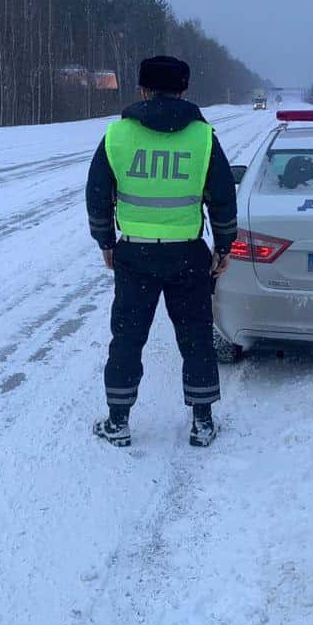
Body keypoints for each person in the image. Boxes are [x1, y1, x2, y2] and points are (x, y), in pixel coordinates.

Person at [85, 55, 238, 448]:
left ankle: (118, 421)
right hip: (188, 255)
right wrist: (223, 246)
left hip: (134, 257)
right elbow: (222, 197)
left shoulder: (117, 136)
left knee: (127, 338)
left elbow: (97, 194)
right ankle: (202, 423)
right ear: (184, 90)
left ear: (142, 90)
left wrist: (106, 241)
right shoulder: (202, 137)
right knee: (196, 338)